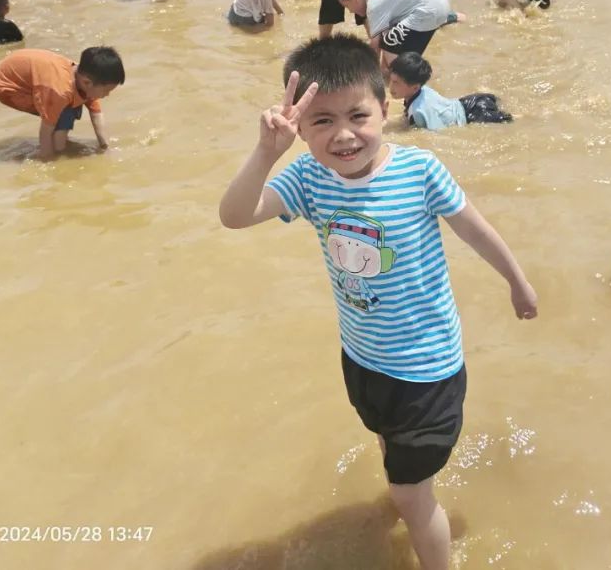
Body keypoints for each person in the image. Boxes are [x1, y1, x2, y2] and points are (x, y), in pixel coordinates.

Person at [218, 34, 538, 570]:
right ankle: (402, 486)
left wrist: (517, 280)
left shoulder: (419, 172)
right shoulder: (306, 177)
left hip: (427, 369)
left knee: (414, 497)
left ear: (385, 110)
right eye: (320, 121)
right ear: (298, 127)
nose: (343, 135)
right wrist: (265, 153)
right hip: (364, 359)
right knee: (390, 454)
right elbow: (234, 215)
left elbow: (473, 229)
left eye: (357, 116)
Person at [0, 47, 124, 161]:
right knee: (65, 107)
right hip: (6, 86)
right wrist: (49, 160)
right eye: (106, 90)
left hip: (23, 75)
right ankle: (60, 148)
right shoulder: (59, 91)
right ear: (87, 82)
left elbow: (96, 113)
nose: (107, 95)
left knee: (73, 101)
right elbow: (45, 130)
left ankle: (60, 142)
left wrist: (105, 146)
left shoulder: (84, 76)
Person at [336, 0, 460, 70]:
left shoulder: (373, 4)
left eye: (347, 6)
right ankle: (413, 78)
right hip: (438, 5)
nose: (351, 11)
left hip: (427, 10)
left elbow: (375, 45)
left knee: (391, 52)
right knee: (399, 52)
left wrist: (369, 76)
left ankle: (406, 79)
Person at [389, 53, 513, 130]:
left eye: (396, 83)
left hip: (475, 115)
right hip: (472, 101)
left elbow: (431, 134)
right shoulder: (422, 90)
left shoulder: (418, 113)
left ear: (415, 87)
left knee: (513, 119)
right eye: (391, 80)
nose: (390, 87)